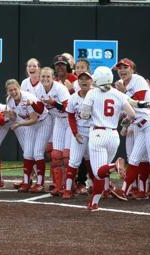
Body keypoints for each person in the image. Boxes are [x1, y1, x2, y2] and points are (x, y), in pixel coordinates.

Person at [112, 58, 150, 203]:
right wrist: (126, 123)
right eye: (119, 68)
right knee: (134, 160)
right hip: (140, 125)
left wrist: (123, 93)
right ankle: (123, 191)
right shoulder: (123, 86)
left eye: (125, 67)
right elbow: (129, 109)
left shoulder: (137, 79)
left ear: (132, 69)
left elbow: (140, 101)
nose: (122, 70)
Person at [81, 66, 135, 211]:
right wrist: (123, 125)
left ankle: (115, 165)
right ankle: (94, 203)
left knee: (98, 172)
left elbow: (84, 115)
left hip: (98, 133)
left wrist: (85, 114)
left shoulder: (92, 93)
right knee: (101, 174)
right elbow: (132, 115)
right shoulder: (118, 94)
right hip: (113, 135)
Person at [5, 79, 52, 193]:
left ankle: (40, 183)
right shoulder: (9, 100)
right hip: (30, 123)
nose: (13, 92)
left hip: (43, 122)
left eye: (15, 89)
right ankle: (26, 182)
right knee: (27, 153)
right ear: (7, 91)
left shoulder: (27, 99)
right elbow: (14, 116)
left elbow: (34, 119)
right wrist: (9, 115)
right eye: (10, 90)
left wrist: (19, 124)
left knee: (37, 153)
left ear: (19, 88)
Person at [35, 67, 70, 195]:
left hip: (70, 120)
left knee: (67, 156)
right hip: (58, 121)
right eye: (43, 76)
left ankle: (69, 185)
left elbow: (68, 108)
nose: (45, 79)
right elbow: (39, 109)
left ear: (53, 77)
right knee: (56, 155)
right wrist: (31, 105)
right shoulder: (38, 89)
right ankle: (58, 185)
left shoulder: (60, 88)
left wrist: (54, 103)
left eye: (48, 76)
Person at [64, 71, 94, 199]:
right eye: (81, 79)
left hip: (94, 130)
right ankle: (68, 189)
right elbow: (70, 116)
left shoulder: (96, 95)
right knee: (74, 161)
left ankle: (100, 187)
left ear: (91, 81)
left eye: (86, 79)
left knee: (93, 161)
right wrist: (75, 132)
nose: (84, 81)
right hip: (80, 131)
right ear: (78, 82)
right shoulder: (73, 97)